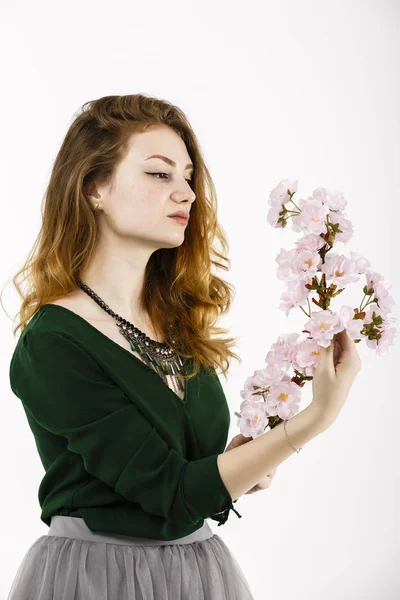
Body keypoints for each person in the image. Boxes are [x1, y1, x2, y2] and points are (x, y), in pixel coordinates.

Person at [5, 94, 362, 599]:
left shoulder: (176, 323)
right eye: (159, 174)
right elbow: (173, 493)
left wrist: (248, 463)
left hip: (196, 570)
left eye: (188, 177)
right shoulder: (53, 344)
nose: (187, 194)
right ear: (94, 188)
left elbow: (195, 483)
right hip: (101, 579)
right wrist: (316, 418)